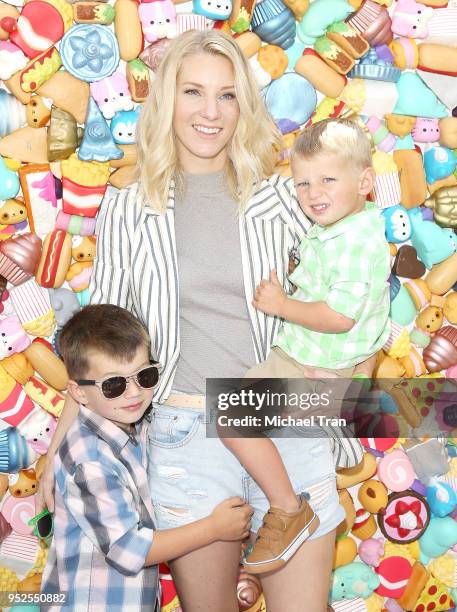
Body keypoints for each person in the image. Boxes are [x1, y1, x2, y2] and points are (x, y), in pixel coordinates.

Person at [38, 30, 364, 612]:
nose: (210, 112)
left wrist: (351, 384)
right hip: (185, 433)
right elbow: (98, 342)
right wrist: (57, 453)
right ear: (166, 100)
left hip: (285, 419)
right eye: (194, 92)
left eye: (227, 95)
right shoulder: (127, 208)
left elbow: (363, 281)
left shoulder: (285, 199)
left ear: (244, 107)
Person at [223, 118, 391, 575]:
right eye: (303, 183)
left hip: (316, 361)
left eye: (327, 180)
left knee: (230, 416)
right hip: (314, 357)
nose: (313, 192)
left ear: (365, 182)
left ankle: (289, 508)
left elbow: (340, 317)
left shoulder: (355, 242)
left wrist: (280, 304)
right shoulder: (342, 226)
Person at [41, 304, 252, 611]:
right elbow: (128, 550)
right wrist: (214, 528)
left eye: (145, 375)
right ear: (79, 393)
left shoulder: (136, 427)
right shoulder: (88, 459)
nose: (134, 393)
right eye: (114, 385)